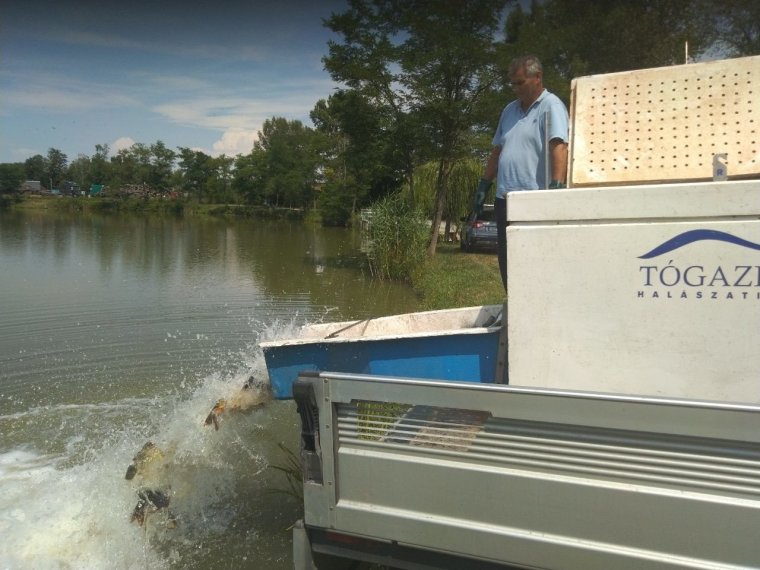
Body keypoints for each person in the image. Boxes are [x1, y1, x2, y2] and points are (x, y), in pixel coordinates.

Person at [472, 55, 569, 292]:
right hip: (505, 199)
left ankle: (537, 315)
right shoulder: (509, 110)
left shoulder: (551, 105)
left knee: (534, 263)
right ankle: (514, 309)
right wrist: (484, 185)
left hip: (534, 199)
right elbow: (497, 151)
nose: (515, 89)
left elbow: (559, 146)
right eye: (512, 83)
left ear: (537, 78)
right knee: (507, 263)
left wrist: (557, 187)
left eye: (520, 83)